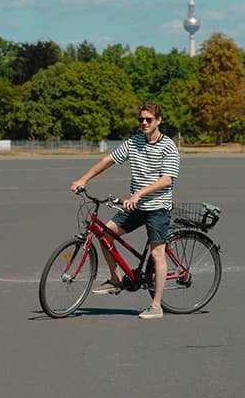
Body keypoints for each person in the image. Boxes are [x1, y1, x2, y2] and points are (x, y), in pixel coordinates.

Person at [70, 102, 180, 320]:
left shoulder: (168, 147)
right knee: (105, 234)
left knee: (157, 254)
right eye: (141, 119)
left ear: (159, 120)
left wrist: (139, 194)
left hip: (157, 208)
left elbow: (166, 180)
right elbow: (108, 160)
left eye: (149, 119)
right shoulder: (134, 142)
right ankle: (116, 279)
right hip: (135, 206)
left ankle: (156, 306)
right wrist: (83, 179)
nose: (144, 123)